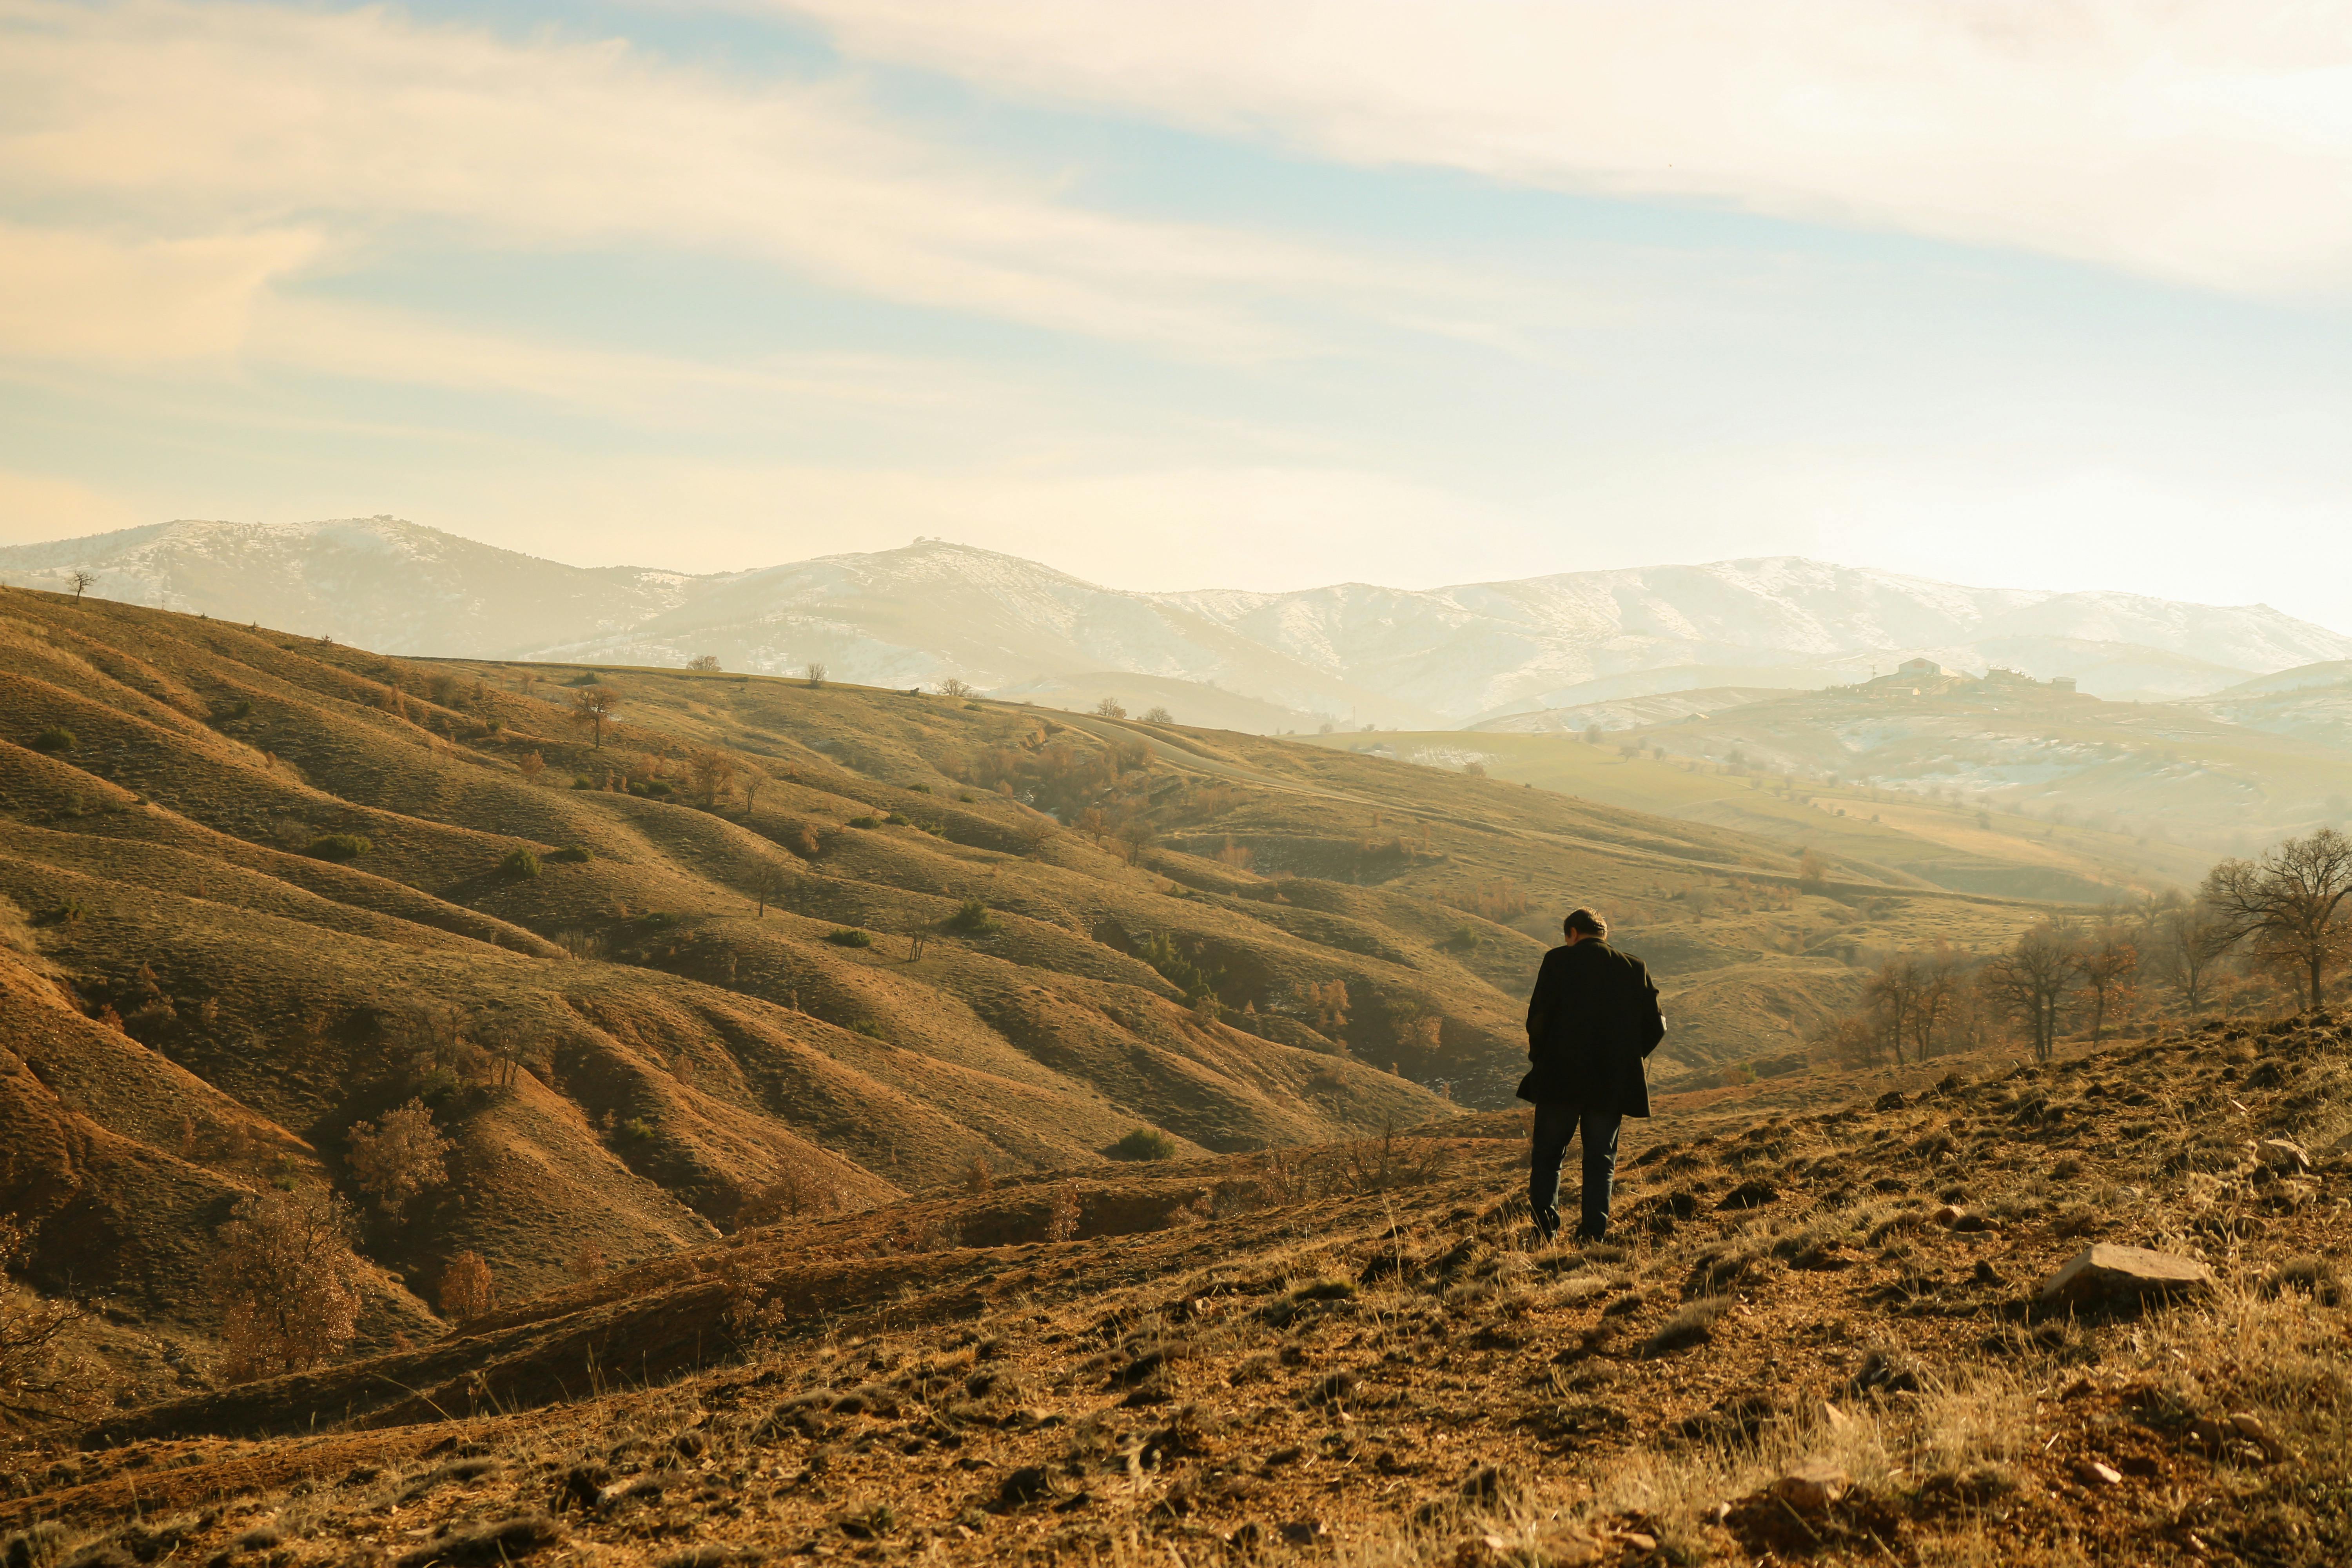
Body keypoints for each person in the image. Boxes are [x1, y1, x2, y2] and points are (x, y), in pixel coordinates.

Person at [1519, 907, 1666, 1243]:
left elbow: (1537, 1019)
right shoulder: (1634, 967)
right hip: (1611, 1083)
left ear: (1572, 933)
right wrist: (1629, 1057)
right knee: (1601, 1160)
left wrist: (1541, 1057)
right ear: (1603, 935)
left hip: (1559, 1078)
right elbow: (1656, 1026)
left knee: (1548, 1157)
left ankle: (1545, 1235)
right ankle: (1592, 1236)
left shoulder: (1557, 962)